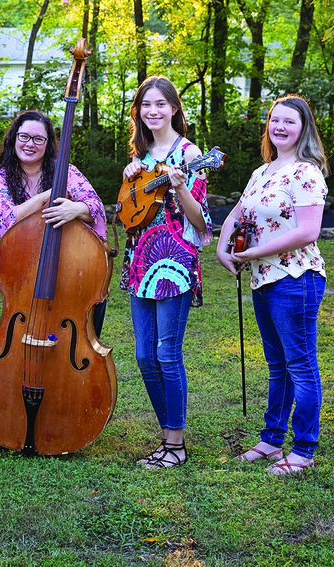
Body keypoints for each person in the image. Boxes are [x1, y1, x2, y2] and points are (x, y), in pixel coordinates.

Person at [216, 94, 329, 476]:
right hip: (263, 278)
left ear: (304, 129)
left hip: (296, 278)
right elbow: (238, 211)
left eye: (290, 122)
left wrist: (255, 252)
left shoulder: (306, 172)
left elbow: (308, 231)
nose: (280, 127)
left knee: (299, 365)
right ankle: (270, 441)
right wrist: (222, 245)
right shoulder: (262, 171)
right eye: (275, 120)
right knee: (277, 365)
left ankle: (304, 450)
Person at [120, 76, 213, 469]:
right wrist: (130, 183)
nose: (152, 111)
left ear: (175, 108)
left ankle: (175, 444)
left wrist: (179, 188)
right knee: (144, 356)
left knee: (166, 353)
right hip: (140, 258)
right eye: (145, 105)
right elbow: (129, 210)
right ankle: (166, 435)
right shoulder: (139, 155)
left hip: (174, 260)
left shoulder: (190, 154)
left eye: (160, 104)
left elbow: (203, 221)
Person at [0, 110, 109, 338]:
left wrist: (76, 208)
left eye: (38, 139)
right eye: (24, 137)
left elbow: (97, 207)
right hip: (26, 274)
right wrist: (46, 197)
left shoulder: (67, 172)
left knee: (79, 338)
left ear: (48, 144)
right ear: (14, 138)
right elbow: (5, 222)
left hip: (71, 269)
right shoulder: (1, 178)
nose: (30, 144)